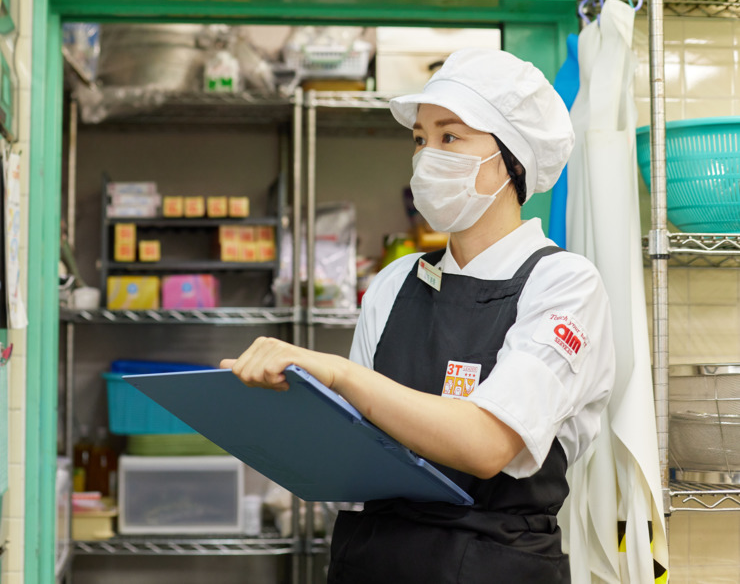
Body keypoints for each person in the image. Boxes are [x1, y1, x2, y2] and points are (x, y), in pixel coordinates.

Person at [221, 48, 615, 583]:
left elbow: (486, 445)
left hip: (493, 564)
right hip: (370, 561)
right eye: (420, 139)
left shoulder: (562, 283)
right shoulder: (395, 282)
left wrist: (339, 374)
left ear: (512, 159)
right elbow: (356, 449)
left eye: (450, 137)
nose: (428, 157)